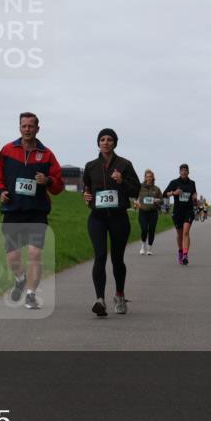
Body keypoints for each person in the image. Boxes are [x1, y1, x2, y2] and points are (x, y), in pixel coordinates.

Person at [0, 112, 64, 310]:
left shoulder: (47, 154)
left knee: (34, 253)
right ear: (19, 128)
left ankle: (31, 294)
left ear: (37, 129)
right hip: (13, 211)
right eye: (24, 126)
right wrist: (1, 192)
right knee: (13, 257)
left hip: (36, 212)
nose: (27, 129)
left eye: (31, 126)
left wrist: (47, 181)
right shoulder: (7, 150)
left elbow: (59, 186)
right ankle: (20, 279)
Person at [83, 128, 141, 316]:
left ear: (115, 143)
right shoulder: (91, 166)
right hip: (97, 218)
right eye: (102, 139)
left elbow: (136, 190)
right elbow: (87, 188)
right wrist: (86, 195)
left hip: (118, 217)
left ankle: (119, 295)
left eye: (109, 139)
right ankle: (100, 300)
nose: (105, 142)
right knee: (100, 256)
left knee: (117, 259)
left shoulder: (124, 164)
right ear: (98, 143)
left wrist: (122, 180)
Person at [163, 163, 198, 265]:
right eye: (182, 170)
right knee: (180, 234)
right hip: (177, 212)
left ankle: (185, 255)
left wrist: (195, 197)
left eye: (185, 170)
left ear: (188, 172)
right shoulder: (174, 182)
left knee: (186, 232)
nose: (183, 172)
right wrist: (174, 193)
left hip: (188, 211)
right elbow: (164, 194)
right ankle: (180, 251)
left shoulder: (192, 183)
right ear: (179, 172)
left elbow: (194, 194)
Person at [133, 169, 162, 255]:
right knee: (144, 229)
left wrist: (158, 200)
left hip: (153, 212)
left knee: (152, 230)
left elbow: (162, 200)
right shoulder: (140, 187)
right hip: (143, 211)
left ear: (153, 178)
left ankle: (149, 249)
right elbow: (134, 198)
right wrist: (136, 203)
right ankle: (143, 246)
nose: (148, 178)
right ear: (145, 177)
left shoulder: (156, 189)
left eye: (150, 177)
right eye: (147, 177)